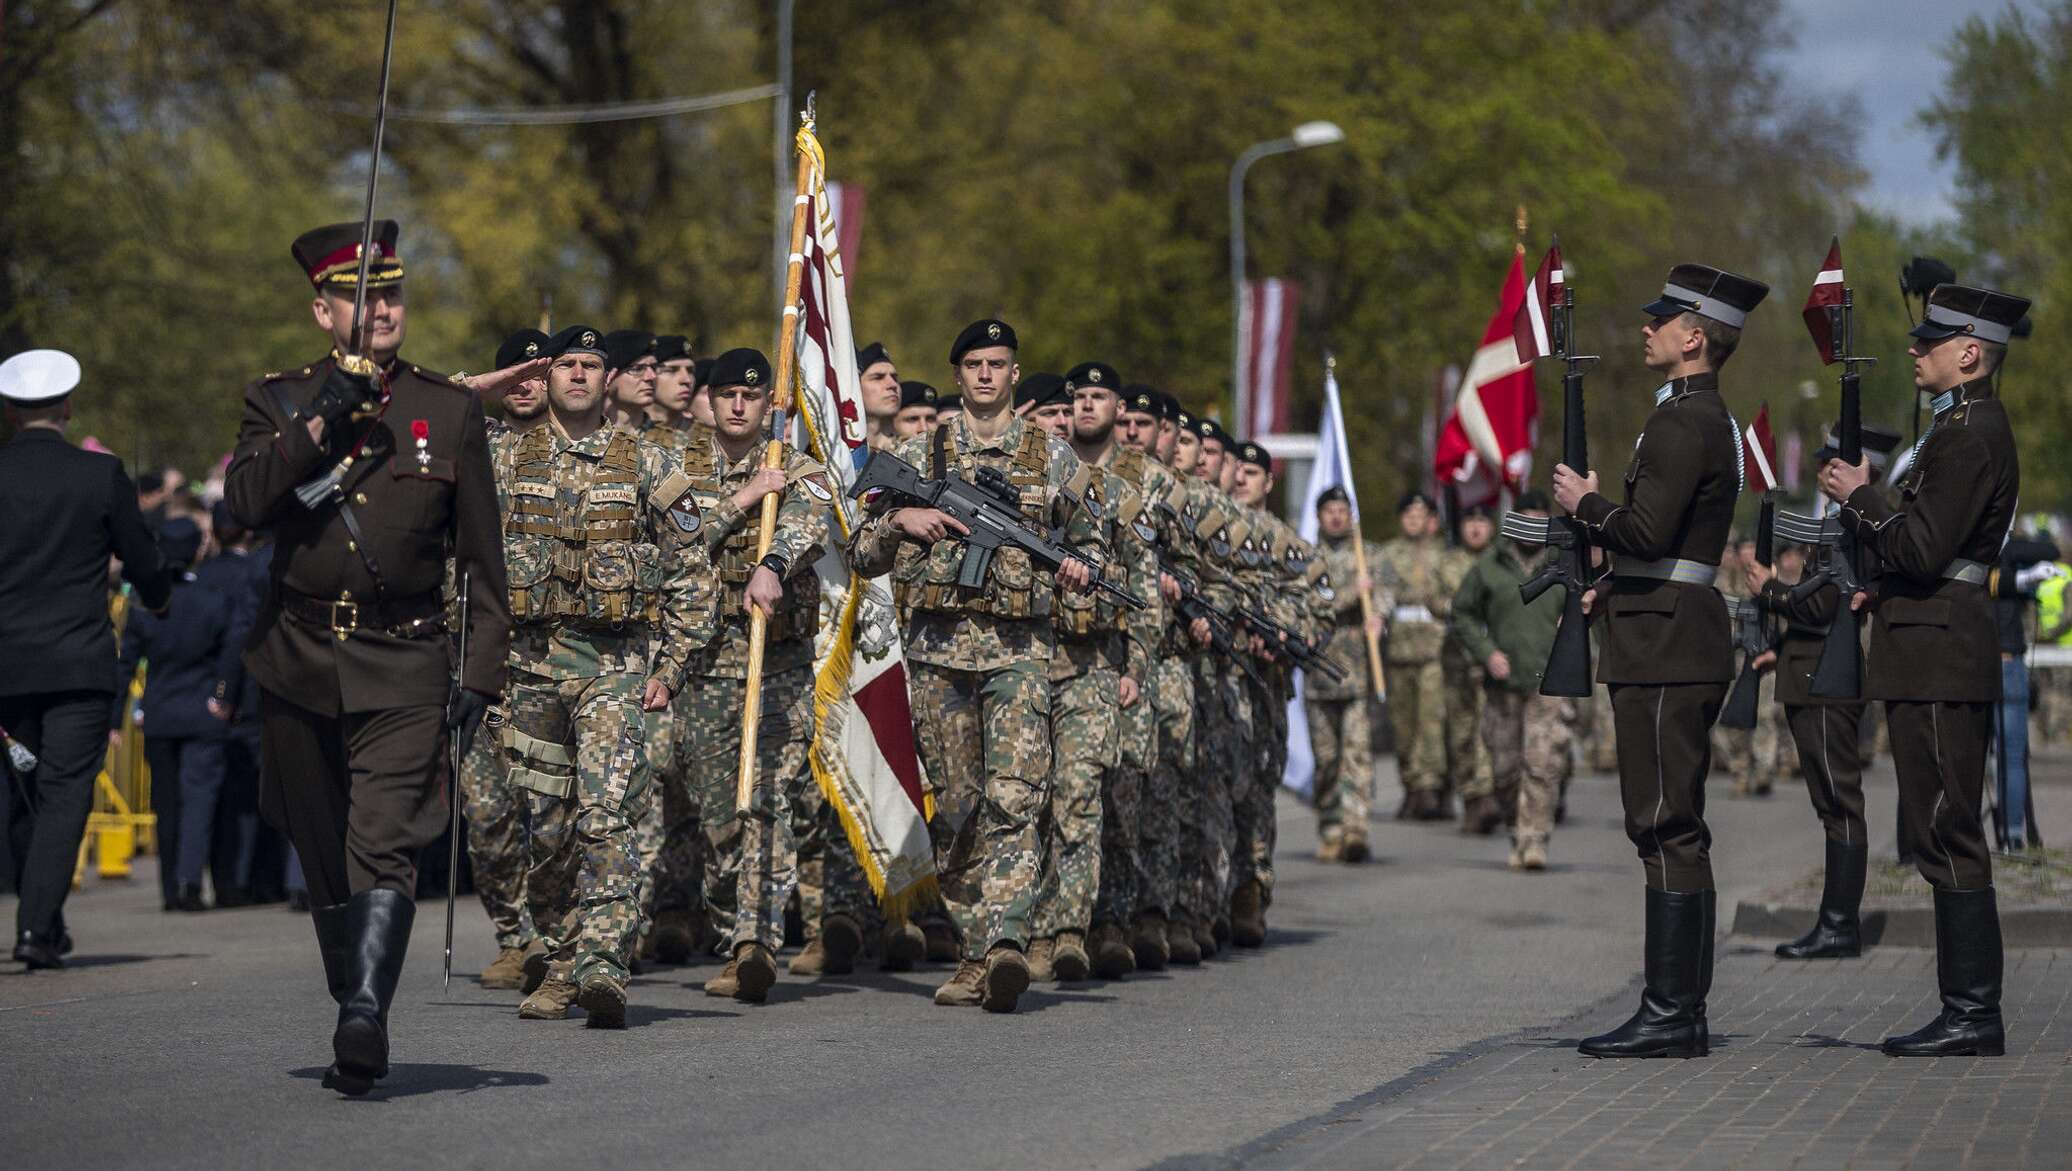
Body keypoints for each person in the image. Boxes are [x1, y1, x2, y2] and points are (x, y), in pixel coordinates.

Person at [222, 221, 510, 1093]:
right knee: (322, 850)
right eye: (359, 295)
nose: (381, 308)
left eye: (391, 293)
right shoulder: (277, 402)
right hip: (298, 655)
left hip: (405, 656)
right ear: (323, 311)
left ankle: (365, 1014)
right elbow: (243, 507)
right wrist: (322, 422)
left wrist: (479, 673)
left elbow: (484, 562)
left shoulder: (448, 408)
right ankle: (353, 984)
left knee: (384, 845)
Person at [848, 318, 1097, 1012]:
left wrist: (1079, 571)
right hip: (935, 654)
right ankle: (972, 950)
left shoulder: (1054, 458)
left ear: (1017, 374)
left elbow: (1092, 543)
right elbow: (861, 551)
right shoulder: (918, 452)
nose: (987, 374)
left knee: (1015, 800)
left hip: (1018, 654)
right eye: (975, 364)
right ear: (958, 374)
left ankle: (1007, 941)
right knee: (958, 811)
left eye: (999, 363)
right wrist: (902, 522)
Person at [1553, 261, 1765, 1059]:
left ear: (1694, 336)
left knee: (1667, 821)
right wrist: (1618, 579)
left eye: (1661, 319)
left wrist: (1588, 506)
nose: (1646, 329)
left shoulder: (1685, 422)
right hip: (1661, 623)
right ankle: (1677, 1008)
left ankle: (1673, 1010)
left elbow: (1645, 531)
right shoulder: (1690, 416)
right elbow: (1662, 544)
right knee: (1662, 820)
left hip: (1670, 639)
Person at [1818, 283, 2028, 1057]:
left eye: (1931, 339)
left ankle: (1973, 1011)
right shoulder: (1955, 428)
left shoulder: (1970, 434)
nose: (1915, 348)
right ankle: (1965, 1006)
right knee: (1938, 827)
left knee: (1948, 828)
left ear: (1969, 351)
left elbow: (1922, 546)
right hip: (1926, 644)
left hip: (1942, 650)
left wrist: (1861, 494)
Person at [491, 323, 712, 1027]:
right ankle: (559, 959)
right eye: (567, 365)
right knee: (544, 826)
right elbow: (462, 565)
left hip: (614, 666)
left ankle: (603, 964)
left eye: (591, 365)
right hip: (526, 669)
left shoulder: (647, 461)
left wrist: (671, 667)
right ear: (546, 376)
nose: (579, 376)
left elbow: (693, 570)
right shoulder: (504, 460)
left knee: (606, 814)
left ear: (608, 378)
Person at [670, 348, 841, 1001]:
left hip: (779, 661)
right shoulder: (678, 467)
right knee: (718, 812)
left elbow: (808, 525)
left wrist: (770, 560)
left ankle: (756, 943)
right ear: (709, 401)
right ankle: (729, 924)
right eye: (727, 394)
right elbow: (676, 541)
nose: (739, 404)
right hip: (709, 662)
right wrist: (744, 497)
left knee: (767, 801)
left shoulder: (796, 467)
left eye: (752, 395)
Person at [0, 349, 173, 967]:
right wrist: (158, 598)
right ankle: (36, 924)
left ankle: (41, 918)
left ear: (10, 411)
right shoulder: (100, 476)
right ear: (67, 407)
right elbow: (141, 557)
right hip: (76, 660)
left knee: (23, 790)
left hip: (8, 666)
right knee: (65, 791)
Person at [1743, 425, 1897, 959]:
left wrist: (1771, 590)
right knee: (1830, 804)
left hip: (1829, 683)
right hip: (1810, 674)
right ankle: (1835, 921)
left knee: (1840, 802)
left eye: (1834, 462)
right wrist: (1779, 645)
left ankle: (1839, 924)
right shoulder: (1844, 522)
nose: (1824, 471)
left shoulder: (1857, 526)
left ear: (1864, 471)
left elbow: (1824, 605)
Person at [458, 328, 552, 989]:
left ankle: (556, 933)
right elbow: (417, 404)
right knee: (487, 810)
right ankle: (515, 935)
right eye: (512, 374)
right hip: (475, 651)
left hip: (554, 654)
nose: (525, 384)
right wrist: (474, 390)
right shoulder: (474, 444)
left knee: (550, 807)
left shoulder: (586, 447)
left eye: (537, 372)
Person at [1227, 439, 1325, 947]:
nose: (1242, 479)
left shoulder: (1290, 545)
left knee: (1259, 787)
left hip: (1265, 683)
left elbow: (1318, 609)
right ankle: (1214, 893)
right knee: (1221, 786)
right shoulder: (1213, 530)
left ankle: (1252, 890)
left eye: (1252, 472)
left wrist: (1287, 636)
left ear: (1269, 482)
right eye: (1236, 470)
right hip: (1219, 676)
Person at [116, 518, 236, 912]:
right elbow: (229, 654)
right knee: (199, 800)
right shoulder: (212, 599)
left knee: (165, 803)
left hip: (161, 713)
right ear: (197, 550)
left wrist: (115, 717)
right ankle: (188, 882)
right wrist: (223, 695)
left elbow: (126, 664)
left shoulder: (146, 605)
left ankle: (170, 887)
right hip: (202, 710)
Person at [1450, 491, 1571, 870]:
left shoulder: (1564, 562)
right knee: (1504, 769)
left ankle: (1534, 839)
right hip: (1501, 684)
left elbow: (1590, 604)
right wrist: (1487, 653)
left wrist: (1574, 624)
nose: (1533, 527)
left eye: (1541, 518)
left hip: (1547, 680)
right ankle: (1516, 826)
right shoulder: (1490, 565)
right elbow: (1463, 614)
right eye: (1527, 518)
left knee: (1542, 762)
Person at [1304, 486, 1379, 862]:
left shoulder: (1367, 556)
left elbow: (1386, 595)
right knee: (1327, 759)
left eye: (1342, 509)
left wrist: (1380, 613)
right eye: (1329, 510)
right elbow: (1313, 603)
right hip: (1319, 675)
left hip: (1357, 674)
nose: (1336, 516)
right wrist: (1353, 593)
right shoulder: (1304, 556)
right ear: (1318, 516)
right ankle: (1330, 825)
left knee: (1357, 754)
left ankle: (1355, 828)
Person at [1373, 491, 1451, 821]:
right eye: (1408, 514)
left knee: (1431, 721)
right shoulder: (1388, 555)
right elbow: (1381, 596)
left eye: (1421, 513)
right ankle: (1410, 784)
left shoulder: (1443, 556)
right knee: (1403, 724)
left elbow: (1453, 594)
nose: (1414, 519)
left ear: (1430, 519)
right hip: (1400, 648)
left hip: (1435, 647)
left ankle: (1429, 787)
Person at [1445, 504, 1500, 831]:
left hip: (1493, 661)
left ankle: (1486, 795)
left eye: (1482, 521)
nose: (1476, 528)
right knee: (1462, 732)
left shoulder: (1501, 563)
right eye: (1470, 521)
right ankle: (1469, 793)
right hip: (1456, 661)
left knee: (1491, 728)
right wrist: (1459, 607)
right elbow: (1434, 598)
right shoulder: (1448, 562)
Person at [601, 329, 657, 429]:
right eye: (637, 369)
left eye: (654, 367)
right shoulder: (582, 435)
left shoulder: (671, 441)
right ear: (609, 376)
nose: (652, 376)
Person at [858, 342, 902, 461]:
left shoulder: (914, 448)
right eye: (878, 378)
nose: (893, 385)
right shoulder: (842, 452)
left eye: (895, 378)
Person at [648, 334, 697, 432]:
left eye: (690, 371)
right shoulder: (622, 436)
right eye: (671, 370)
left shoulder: (706, 439)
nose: (686, 380)